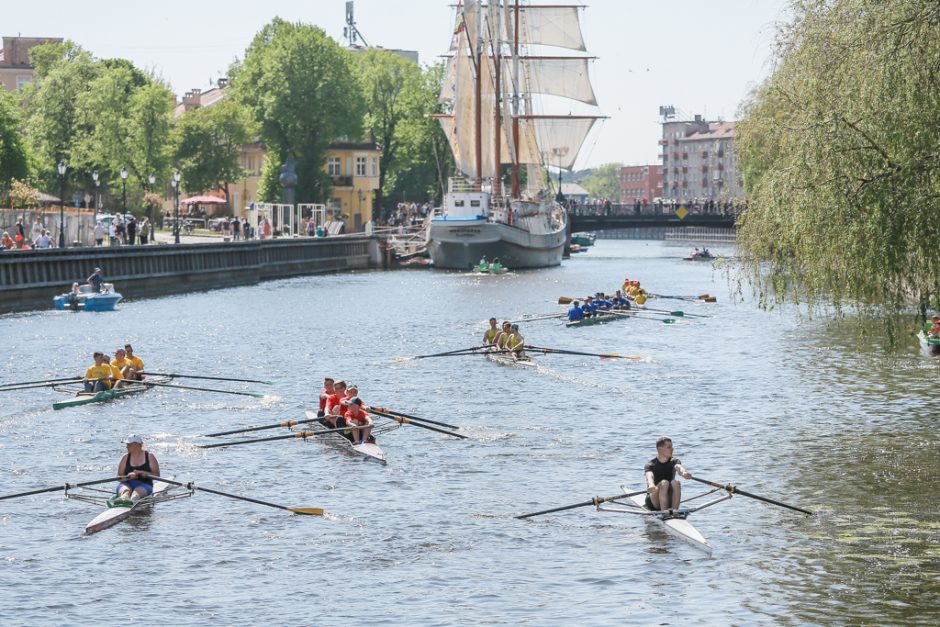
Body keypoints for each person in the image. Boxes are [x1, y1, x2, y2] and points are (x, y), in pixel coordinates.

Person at [644, 436, 692, 517]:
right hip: (654, 500)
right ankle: (665, 514)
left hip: (668, 498)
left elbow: (678, 467)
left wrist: (684, 472)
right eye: (669, 447)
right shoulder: (650, 464)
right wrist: (651, 485)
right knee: (664, 483)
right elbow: (649, 476)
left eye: (672, 447)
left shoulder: (674, 461)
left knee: (676, 482)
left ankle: (674, 512)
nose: (672, 449)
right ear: (660, 449)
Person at [112, 434, 160, 505]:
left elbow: (157, 475)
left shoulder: (150, 456)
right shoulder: (125, 457)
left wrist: (142, 473)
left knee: (135, 495)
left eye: (129, 444)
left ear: (137, 445)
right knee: (126, 493)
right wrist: (127, 477)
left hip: (144, 484)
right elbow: (118, 477)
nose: (126, 446)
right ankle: (122, 502)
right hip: (126, 484)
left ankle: (130, 503)